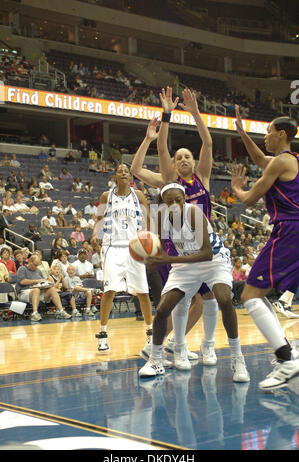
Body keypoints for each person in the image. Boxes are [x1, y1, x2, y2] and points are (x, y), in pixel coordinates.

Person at [131, 88, 219, 365]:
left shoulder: (203, 177)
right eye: (178, 157)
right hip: (175, 245)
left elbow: (207, 143)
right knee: (187, 300)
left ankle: (170, 343)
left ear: (194, 162)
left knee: (205, 300)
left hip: (202, 246)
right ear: (172, 163)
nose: (182, 159)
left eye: (187, 156)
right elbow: (160, 148)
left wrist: (194, 113)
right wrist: (166, 115)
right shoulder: (169, 179)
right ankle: (166, 344)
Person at [139, 183, 249, 382]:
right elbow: (161, 250)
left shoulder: (193, 214)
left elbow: (206, 253)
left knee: (223, 299)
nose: (174, 205)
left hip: (213, 260)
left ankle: (237, 358)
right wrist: (149, 258)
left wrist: (167, 259)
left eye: (178, 201)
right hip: (185, 264)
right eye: (169, 201)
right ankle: (155, 360)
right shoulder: (161, 217)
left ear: (185, 200)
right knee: (163, 309)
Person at [232, 107, 299, 390]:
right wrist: (242, 134)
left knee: (249, 295)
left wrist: (236, 188)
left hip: (289, 230)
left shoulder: (281, 161)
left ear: (282, 134)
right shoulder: (289, 160)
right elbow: (260, 159)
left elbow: (248, 200)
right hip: (295, 231)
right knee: (260, 294)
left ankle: (286, 360)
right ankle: (288, 352)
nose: (265, 137)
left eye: (269, 133)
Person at [92, 163, 153, 355]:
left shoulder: (139, 195)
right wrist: (95, 234)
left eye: (126, 170)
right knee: (109, 290)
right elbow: (100, 220)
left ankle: (151, 336)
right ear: (115, 176)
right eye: (120, 171)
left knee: (143, 293)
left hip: (134, 248)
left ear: (130, 177)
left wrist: (149, 239)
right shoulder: (106, 196)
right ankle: (102, 336)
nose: (124, 172)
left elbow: (148, 220)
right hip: (112, 247)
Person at [16, 255, 71, 321]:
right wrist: (36, 281)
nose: (36, 267)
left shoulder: (38, 271)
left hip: (39, 291)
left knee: (52, 289)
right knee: (36, 290)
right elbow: (22, 282)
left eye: (37, 265)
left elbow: (42, 281)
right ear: (30, 262)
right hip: (24, 292)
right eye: (35, 265)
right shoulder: (22, 269)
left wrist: (47, 283)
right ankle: (34, 313)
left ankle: (61, 311)